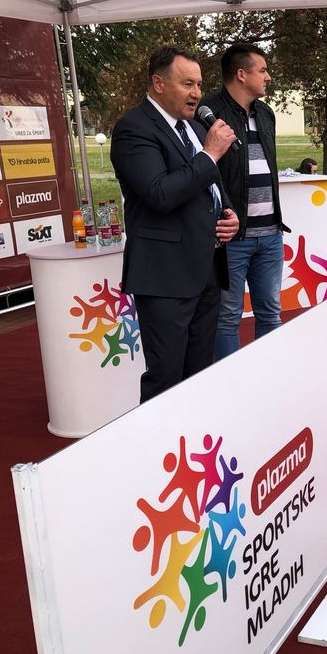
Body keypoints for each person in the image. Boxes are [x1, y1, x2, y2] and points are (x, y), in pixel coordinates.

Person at [111, 45, 240, 403]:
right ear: (158, 83)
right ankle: (157, 438)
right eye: (187, 84)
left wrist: (228, 212)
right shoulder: (133, 129)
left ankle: (193, 434)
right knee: (166, 377)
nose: (197, 93)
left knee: (198, 374)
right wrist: (210, 153)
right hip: (165, 276)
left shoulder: (193, 128)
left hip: (206, 272)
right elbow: (160, 193)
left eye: (199, 84)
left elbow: (210, 184)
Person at [199, 42, 291, 360]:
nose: (268, 76)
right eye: (262, 70)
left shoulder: (266, 114)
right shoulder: (208, 113)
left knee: (271, 313)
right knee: (227, 317)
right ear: (241, 74)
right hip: (231, 237)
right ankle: (229, 382)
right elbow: (203, 171)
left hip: (271, 234)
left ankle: (267, 376)